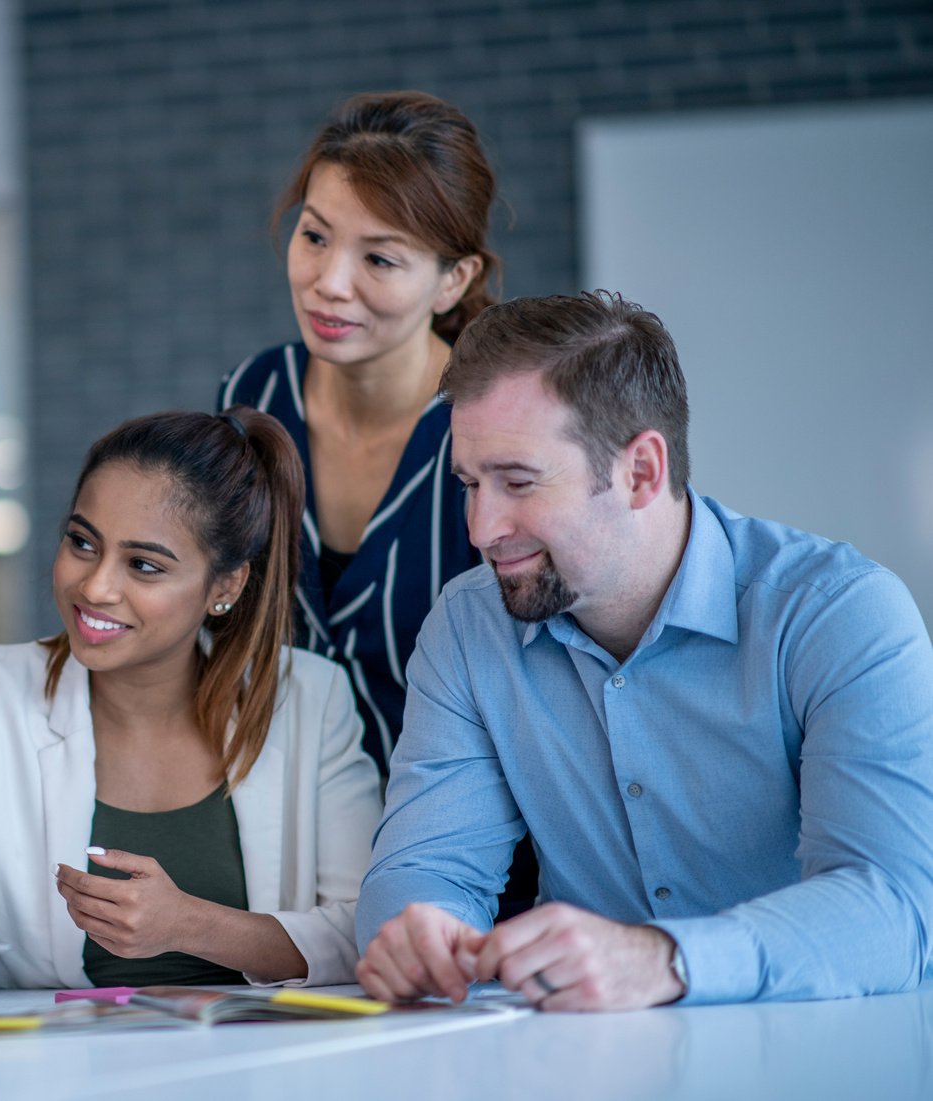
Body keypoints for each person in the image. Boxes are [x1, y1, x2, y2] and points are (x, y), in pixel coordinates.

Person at [355, 291, 933, 1010]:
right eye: (470, 484)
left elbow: (895, 910)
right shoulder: (467, 629)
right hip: (581, 1059)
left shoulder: (839, 615)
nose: (480, 528)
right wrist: (418, 930)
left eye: (518, 481)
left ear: (641, 472)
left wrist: (665, 959)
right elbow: (423, 870)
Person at [0, 410, 382, 1010]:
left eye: (143, 565)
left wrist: (188, 924)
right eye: (82, 543)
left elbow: (366, 929)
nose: (95, 587)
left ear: (225, 585)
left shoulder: (311, 699)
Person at [219, 90, 498, 775]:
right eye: (314, 236)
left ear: (453, 281)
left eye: (379, 259)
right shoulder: (252, 397)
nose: (330, 283)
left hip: (465, 844)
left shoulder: (493, 429)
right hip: (288, 829)